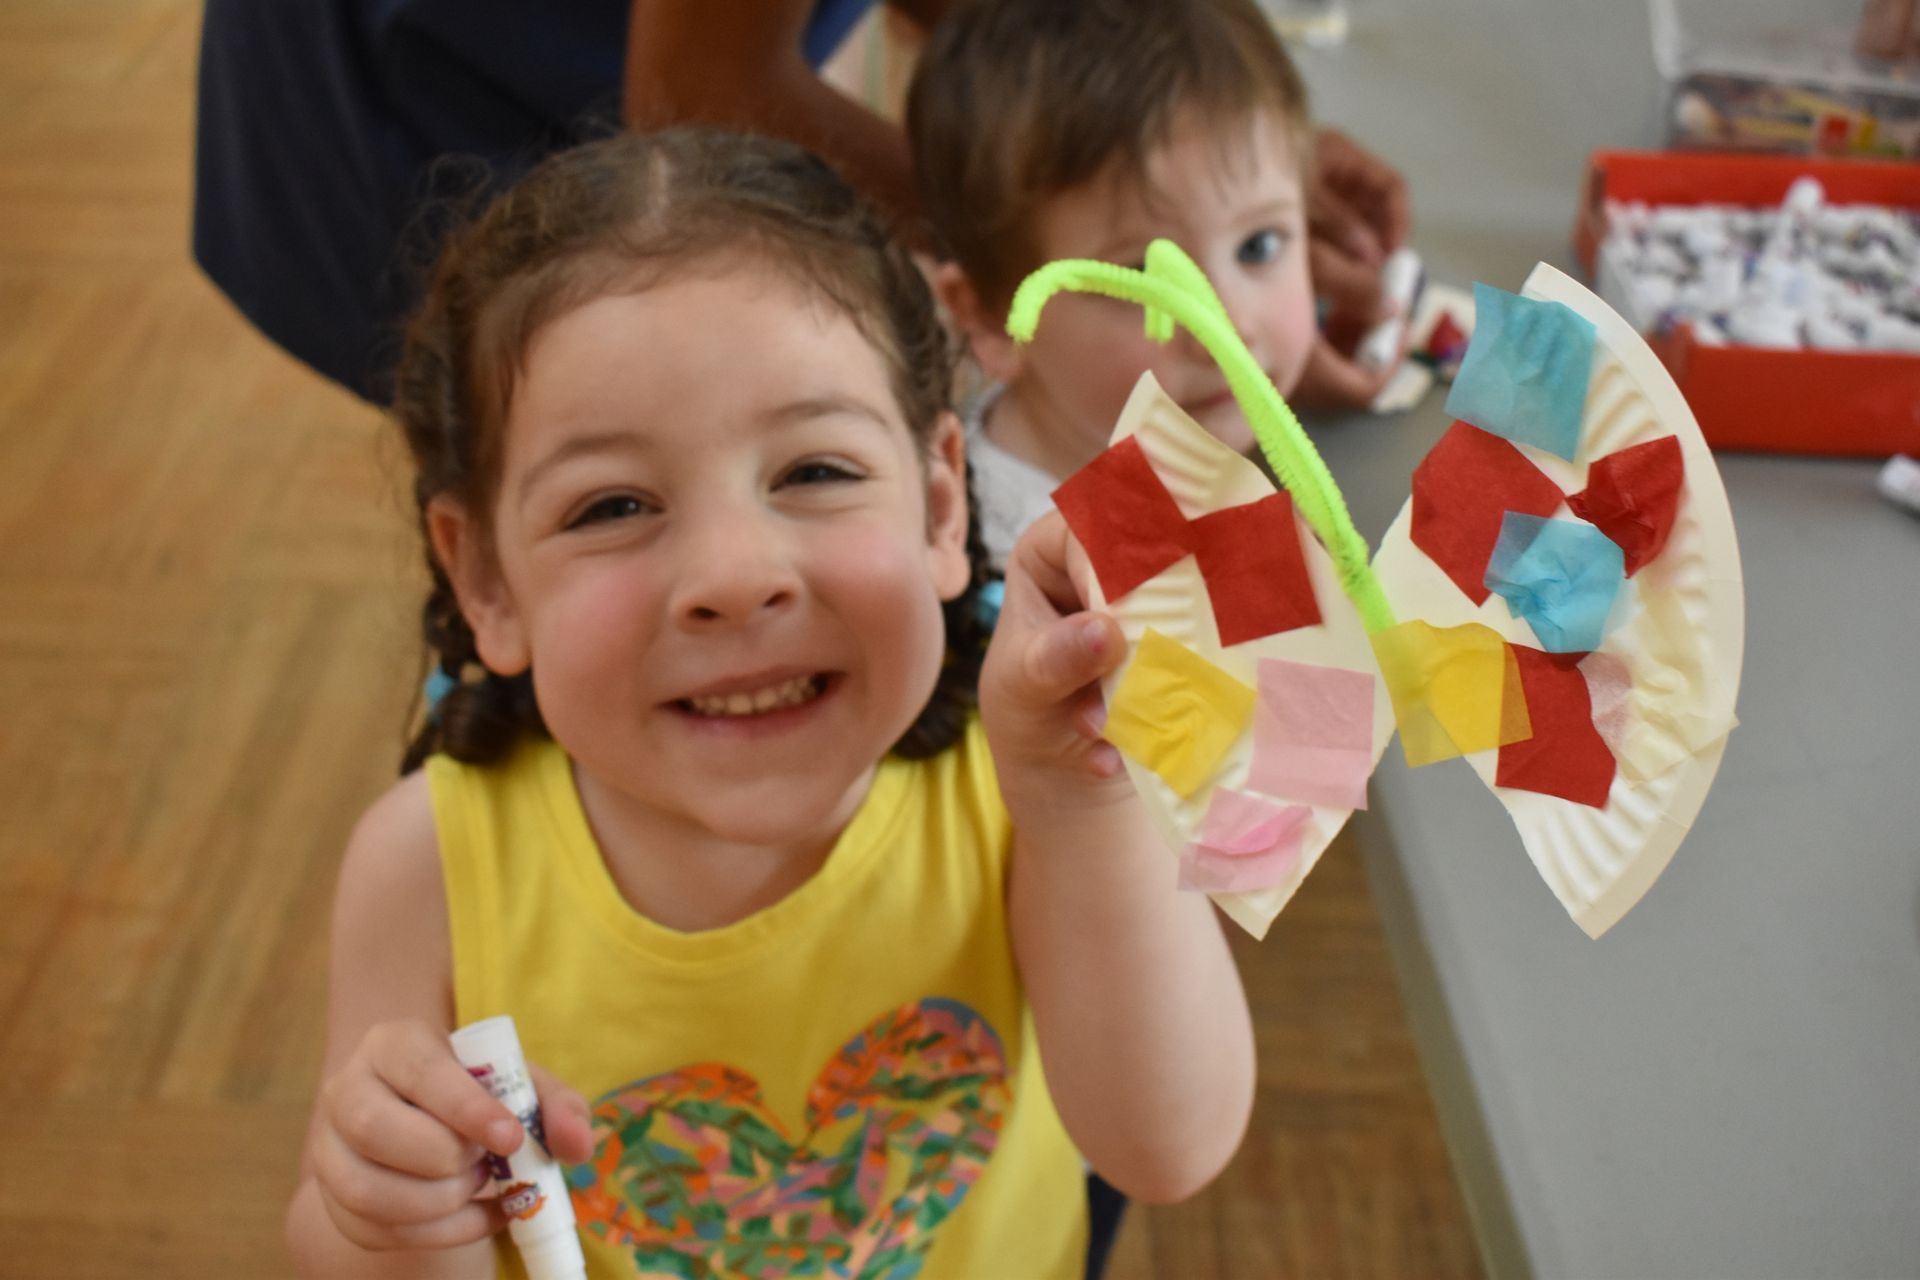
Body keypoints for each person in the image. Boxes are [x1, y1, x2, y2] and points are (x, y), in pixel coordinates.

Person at [282, 127, 1256, 1279]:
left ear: (943, 504)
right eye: (611, 506)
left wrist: (1080, 802)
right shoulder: (425, 866)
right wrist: (392, 1215)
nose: (737, 573)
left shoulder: (1016, 791)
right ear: (484, 576)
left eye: (814, 471)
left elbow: (1168, 1144)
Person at [193, 1, 1407, 409]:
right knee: (552, 488)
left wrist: (1185, 156)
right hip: (436, 103)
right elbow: (698, 85)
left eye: (1266, 249)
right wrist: (1105, 241)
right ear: (974, 307)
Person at [905, 0, 1408, 567]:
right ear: (992, 320)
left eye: (1258, 246)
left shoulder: (1166, 447)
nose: (1225, 327)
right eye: (1143, 284)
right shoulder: (1042, 588)